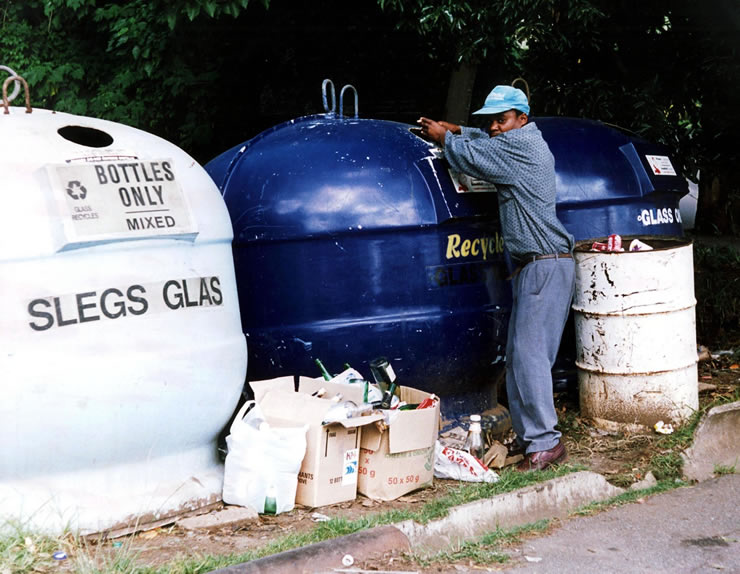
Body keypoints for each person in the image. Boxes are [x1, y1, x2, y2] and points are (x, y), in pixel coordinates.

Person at [419, 85, 575, 471]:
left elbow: (476, 156)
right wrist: (460, 130)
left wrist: (447, 139)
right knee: (520, 358)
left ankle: (546, 444)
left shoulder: (522, 148)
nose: (494, 127)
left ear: (522, 118)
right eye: (490, 121)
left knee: (530, 358)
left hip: (545, 265)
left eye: (501, 119)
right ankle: (531, 439)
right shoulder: (518, 142)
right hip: (535, 266)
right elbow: (486, 141)